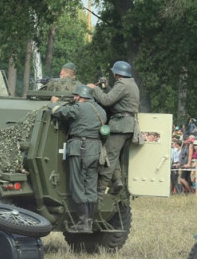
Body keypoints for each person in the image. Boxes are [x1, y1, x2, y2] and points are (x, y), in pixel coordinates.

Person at [49, 84, 106, 232]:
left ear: (83, 97)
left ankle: (82, 222)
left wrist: (54, 103)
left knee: (77, 185)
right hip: (95, 150)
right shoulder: (101, 110)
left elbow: (60, 112)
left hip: (79, 149)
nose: (74, 98)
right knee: (90, 186)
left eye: (76, 96)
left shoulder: (80, 108)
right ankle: (89, 221)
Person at [89, 60, 140, 195]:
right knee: (114, 154)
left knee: (108, 156)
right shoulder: (130, 83)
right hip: (127, 125)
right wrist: (106, 87)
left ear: (117, 74)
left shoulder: (122, 84)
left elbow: (106, 100)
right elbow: (116, 98)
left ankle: (100, 189)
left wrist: (95, 89)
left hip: (120, 125)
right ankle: (117, 180)